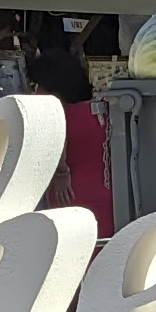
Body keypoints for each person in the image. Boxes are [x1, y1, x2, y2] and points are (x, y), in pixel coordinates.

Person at [34, 46, 116, 236]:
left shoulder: (55, 113)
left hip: (69, 197)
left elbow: (58, 140)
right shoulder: (101, 108)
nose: (36, 92)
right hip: (107, 194)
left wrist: (61, 172)